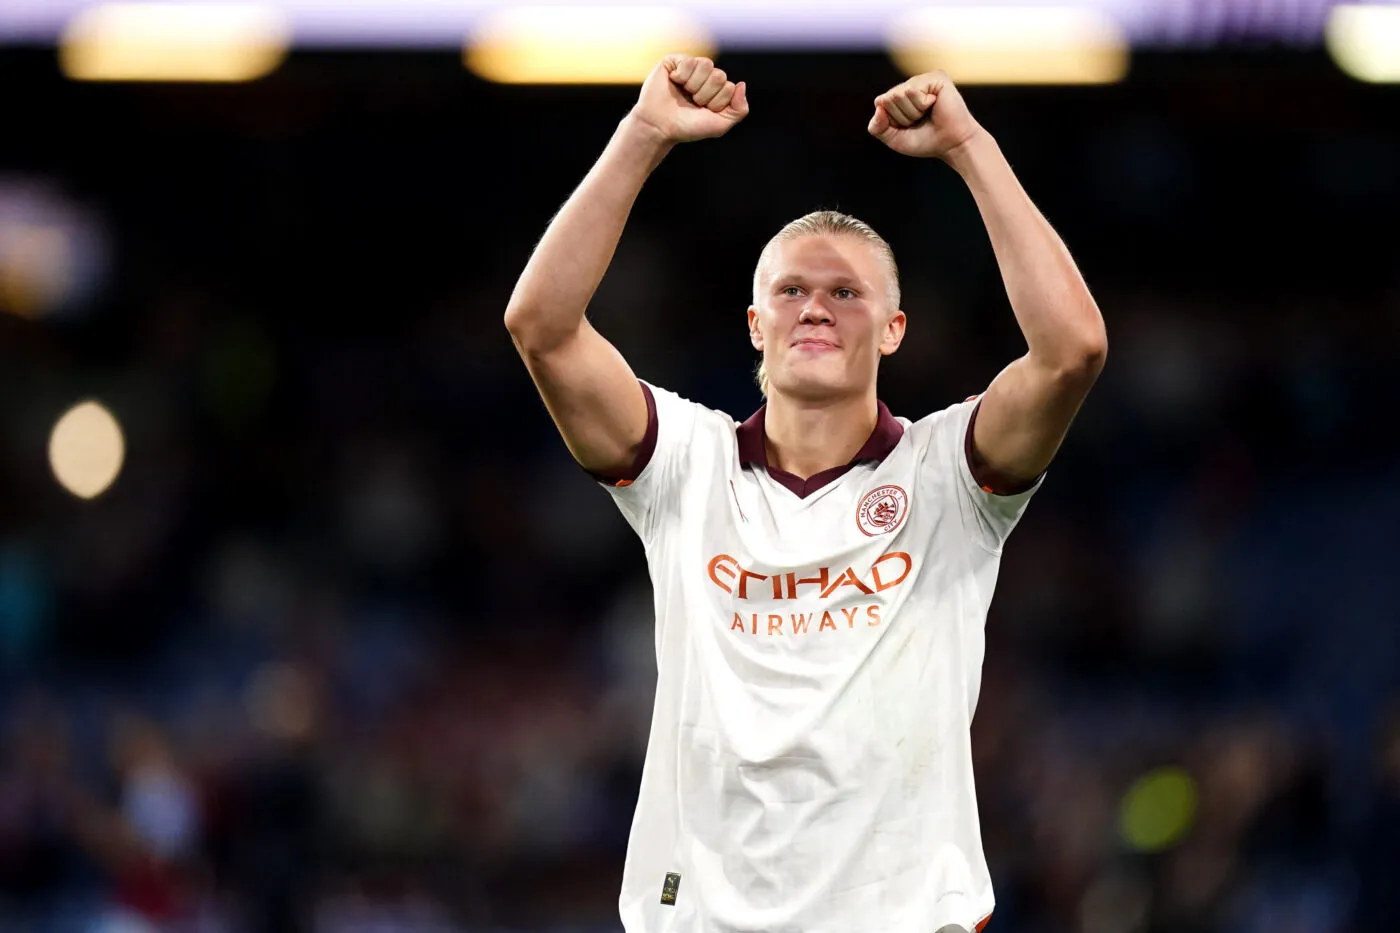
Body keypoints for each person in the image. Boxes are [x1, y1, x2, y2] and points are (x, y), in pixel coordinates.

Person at [504, 54, 1106, 933]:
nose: (814, 308)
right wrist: (643, 135)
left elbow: (1072, 350)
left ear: (895, 328)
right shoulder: (687, 465)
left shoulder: (949, 475)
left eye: (846, 292)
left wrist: (970, 146)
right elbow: (541, 326)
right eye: (789, 290)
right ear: (756, 323)